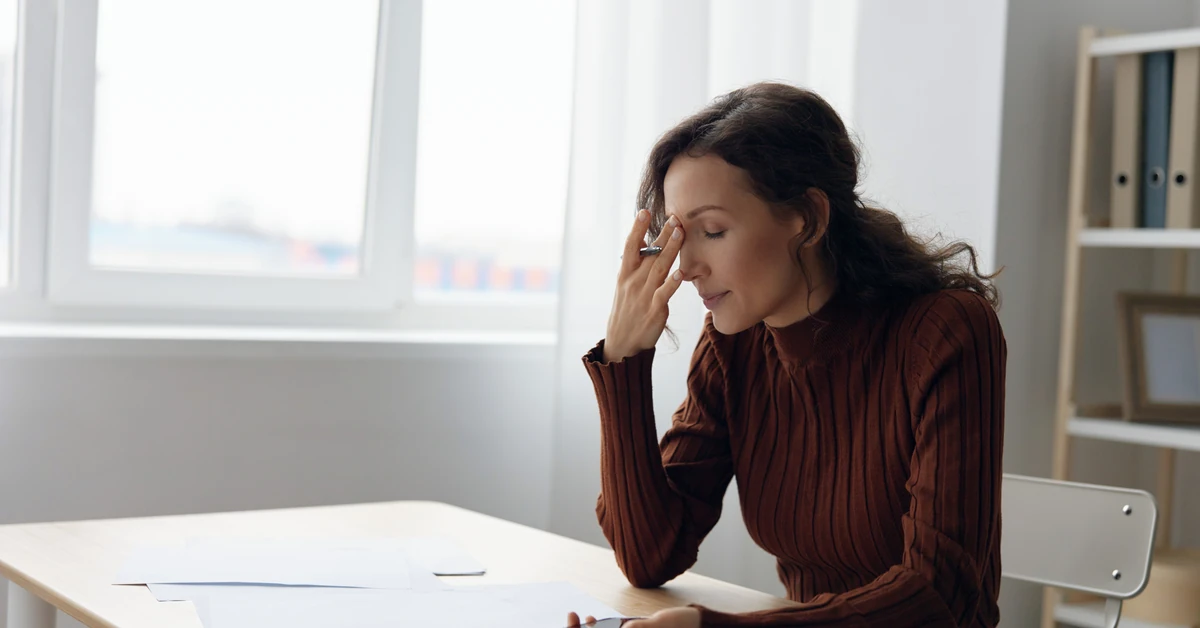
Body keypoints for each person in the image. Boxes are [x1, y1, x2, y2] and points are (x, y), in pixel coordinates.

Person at [568, 82, 1006, 627]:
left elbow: (941, 596)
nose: (687, 267)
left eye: (712, 230)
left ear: (808, 217)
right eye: (679, 237)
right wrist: (624, 359)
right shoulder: (734, 343)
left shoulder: (945, 331)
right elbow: (649, 554)